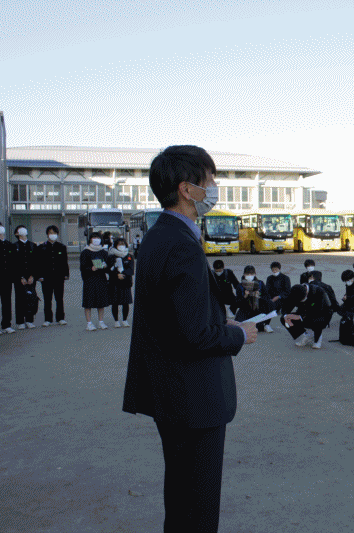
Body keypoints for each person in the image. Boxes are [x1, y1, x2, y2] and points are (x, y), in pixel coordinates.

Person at [122, 145, 256, 533]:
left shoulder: (160, 236)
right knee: (197, 504)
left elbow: (173, 315)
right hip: (192, 396)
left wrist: (214, 316)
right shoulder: (182, 244)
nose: (213, 188)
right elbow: (194, 336)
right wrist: (237, 334)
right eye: (209, 180)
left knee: (181, 495)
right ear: (187, 189)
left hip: (170, 391)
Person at [35, 225, 69, 326]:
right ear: (47, 234)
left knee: (59, 298)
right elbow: (38, 263)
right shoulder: (41, 247)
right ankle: (48, 319)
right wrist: (39, 276)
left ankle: (60, 318)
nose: (52, 235)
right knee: (47, 299)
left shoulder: (61, 247)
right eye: (50, 233)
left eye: (54, 233)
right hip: (46, 277)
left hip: (59, 276)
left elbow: (64, 262)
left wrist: (66, 274)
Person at [281, 283, 332, 349]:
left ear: (306, 293)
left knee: (317, 321)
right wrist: (286, 316)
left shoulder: (319, 292)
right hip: (304, 312)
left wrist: (300, 317)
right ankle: (307, 335)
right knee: (283, 319)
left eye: (302, 299)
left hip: (321, 314)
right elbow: (286, 307)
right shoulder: (295, 292)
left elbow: (321, 311)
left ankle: (317, 337)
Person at [80, 231, 110, 331]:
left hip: (101, 279)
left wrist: (105, 266)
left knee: (101, 302)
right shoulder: (86, 252)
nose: (96, 239)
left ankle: (101, 322)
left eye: (98, 237)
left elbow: (108, 266)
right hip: (89, 279)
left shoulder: (103, 252)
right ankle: (89, 323)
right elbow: (82, 267)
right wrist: (91, 268)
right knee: (88, 302)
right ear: (90, 239)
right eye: (94, 237)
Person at [12, 225, 38, 329]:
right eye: (20, 229)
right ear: (16, 233)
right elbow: (14, 263)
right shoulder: (14, 246)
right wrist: (20, 277)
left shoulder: (33, 245)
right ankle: (20, 321)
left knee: (31, 298)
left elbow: (36, 262)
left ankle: (29, 320)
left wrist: (33, 275)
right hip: (19, 277)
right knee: (20, 298)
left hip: (31, 277)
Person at [234, 266, 274, 333]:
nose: (249, 276)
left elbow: (267, 297)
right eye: (247, 274)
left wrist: (259, 295)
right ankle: (259, 326)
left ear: (255, 274)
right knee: (239, 325)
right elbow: (237, 303)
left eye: (251, 274)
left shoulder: (260, 283)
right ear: (244, 274)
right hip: (246, 308)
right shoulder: (240, 286)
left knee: (270, 304)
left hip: (258, 307)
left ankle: (266, 324)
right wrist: (245, 296)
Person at [108, 237, 134, 328]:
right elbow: (109, 269)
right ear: (115, 245)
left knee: (125, 302)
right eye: (119, 244)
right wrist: (116, 275)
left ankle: (125, 320)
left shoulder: (129, 256)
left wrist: (124, 275)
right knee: (115, 302)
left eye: (123, 244)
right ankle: (116, 320)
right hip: (115, 282)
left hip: (126, 282)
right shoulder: (111, 256)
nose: (121, 246)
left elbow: (131, 270)